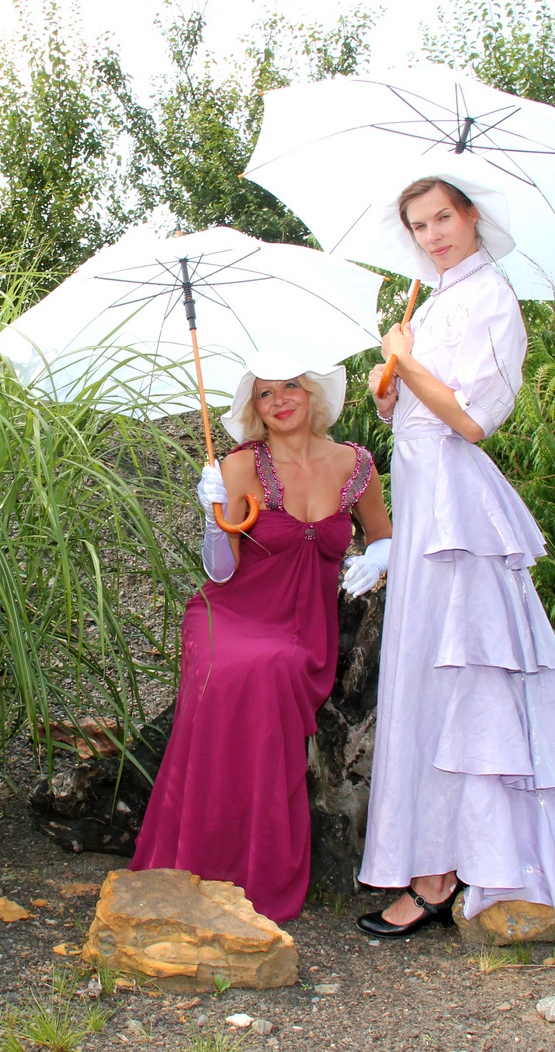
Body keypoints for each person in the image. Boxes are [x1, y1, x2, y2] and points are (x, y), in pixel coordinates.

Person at [355, 175, 555, 938]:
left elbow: (476, 420)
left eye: (443, 217)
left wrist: (407, 364)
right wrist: (389, 389)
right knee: (423, 676)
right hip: (421, 505)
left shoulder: (493, 301)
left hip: (458, 510)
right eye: (418, 224)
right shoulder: (440, 297)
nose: (432, 234)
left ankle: (445, 873)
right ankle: (436, 859)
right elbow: (418, 407)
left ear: (472, 215)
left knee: (462, 680)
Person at [130, 351, 393, 924]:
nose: (280, 401)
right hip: (232, 610)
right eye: (266, 393)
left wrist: (377, 559)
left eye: (291, 387)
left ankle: (260, 866)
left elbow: (381, 535)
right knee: (233, 671)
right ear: (254, 408)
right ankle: (198, 856)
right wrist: (212, 516)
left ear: (313, 394)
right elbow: (220, 569)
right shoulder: (243, 465)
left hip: (304, 624)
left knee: (271, 668)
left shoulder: (355, 465)